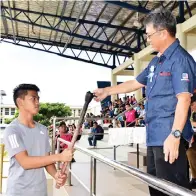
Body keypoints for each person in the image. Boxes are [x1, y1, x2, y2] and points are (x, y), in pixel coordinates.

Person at [93, 8, 196, 195]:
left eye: (149, 35)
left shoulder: (180, 60)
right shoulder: (156, 62)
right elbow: (135, 82)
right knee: (156, 188)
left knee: (173, 189)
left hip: (169, 135)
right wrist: (107, 90)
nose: (147, 40)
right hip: (155, 136)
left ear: (163, 33)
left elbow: (184, 99)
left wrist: (175, 135)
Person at [3, 84, 73, 196]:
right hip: (18, 192)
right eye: (33, 98)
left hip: (40, 191)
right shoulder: (12, 130)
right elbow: (25, 162)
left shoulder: (42, 129)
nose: (37, 102)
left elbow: (47, 161)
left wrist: (56, 175)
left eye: (38, 99)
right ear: (20, 102)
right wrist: (59, 156)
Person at [187, 95, 196, 189]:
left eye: (193, 104)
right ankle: (194, 178)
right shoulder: (193, 114)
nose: (192, 107)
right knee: (190, 152)